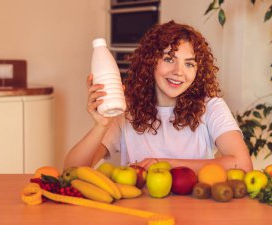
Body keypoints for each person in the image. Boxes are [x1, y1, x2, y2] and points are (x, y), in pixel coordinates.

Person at [64, 20, 253, 172]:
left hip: (197, 212)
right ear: (150, 62)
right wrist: (101, 125)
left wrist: (166, 164)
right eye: (169, 59)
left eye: (189, 64)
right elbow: (71, 171)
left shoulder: (211, 106)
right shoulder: (126, 110)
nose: (179, 72)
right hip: (138, 212)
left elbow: (242, 164)